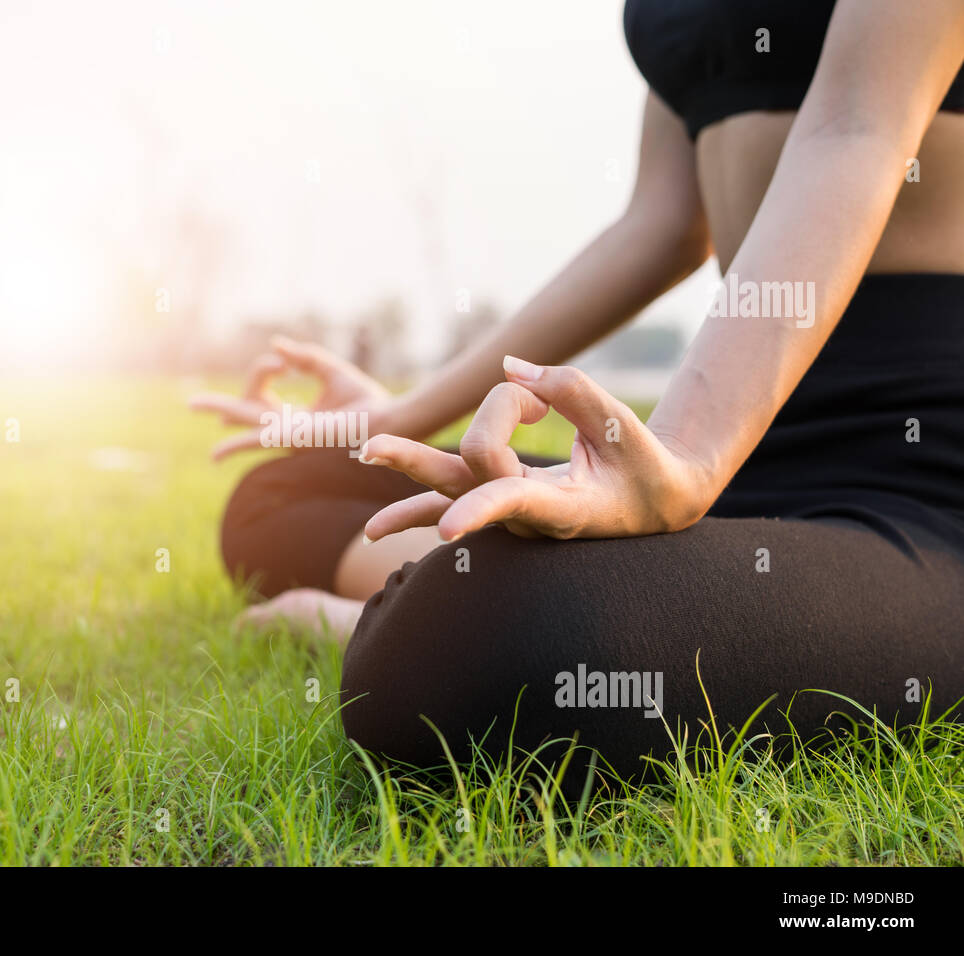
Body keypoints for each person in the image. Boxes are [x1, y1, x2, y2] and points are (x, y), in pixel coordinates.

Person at [192, 0, 964, 783]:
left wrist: (690, 453)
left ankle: (374, 617)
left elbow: (856, 128)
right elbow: (660, 222)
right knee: (284, 493)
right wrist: (404, 413)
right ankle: (439, 597)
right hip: (743, 441)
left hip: (922, 476)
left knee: (457, 641)